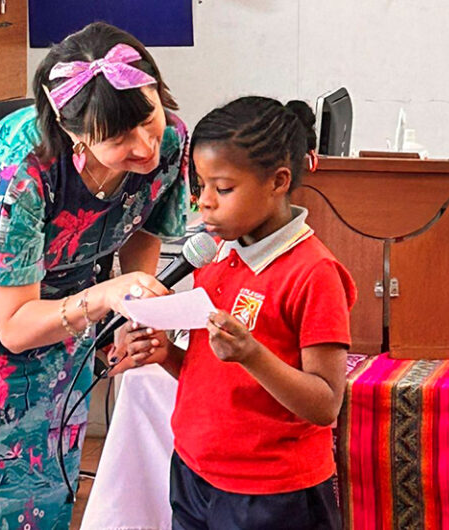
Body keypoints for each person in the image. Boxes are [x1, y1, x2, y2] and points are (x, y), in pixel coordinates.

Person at [0, 22, 190, 529]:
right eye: (120, 138)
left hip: (67, 314)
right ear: (74, 132)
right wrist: (107, 295)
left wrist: (133, 312)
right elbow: (14, 327)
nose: (146, 148)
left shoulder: (169, 140)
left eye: (147, 119)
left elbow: (144, 223)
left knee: (46, 481)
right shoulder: (19, 172)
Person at [116, 96, 356, 529]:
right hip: (195, 470)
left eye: (223, 189)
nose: (204, 203)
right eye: (200, 186)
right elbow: (213, 375)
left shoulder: (314, 273)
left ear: (278, 181)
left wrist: (252, 354)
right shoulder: (215, 255)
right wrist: (166, 354)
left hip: (272, 490)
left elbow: (325, 404)